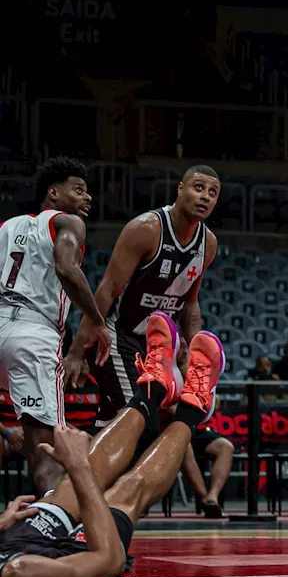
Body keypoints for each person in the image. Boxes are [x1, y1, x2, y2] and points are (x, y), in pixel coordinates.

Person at [0, 311, 224, 577]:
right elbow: (110, 560)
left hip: (12, 546)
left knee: (67, 490)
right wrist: (77, 465)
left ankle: (155, 389)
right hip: (46, 571)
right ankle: (194, 408)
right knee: (127, 491)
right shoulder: (17, 573)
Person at [76, 165, 220, 431]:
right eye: (198, 188)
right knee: (142, 426)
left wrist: (192, 357)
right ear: (180, 189)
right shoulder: (146, 228)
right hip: (117, 336)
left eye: (213, 192)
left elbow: (190, 303)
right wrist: (77, 350)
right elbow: (106, 290)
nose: (205, 197)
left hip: (156, 347)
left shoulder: (207, 243)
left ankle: (79, 467)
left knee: (113, 427)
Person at [0, 157, 110, 495]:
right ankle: (53, 528)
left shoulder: (7, 226)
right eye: (78, 190)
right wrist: (97, 320)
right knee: (48, 450)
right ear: (53, 193)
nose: (86, 198)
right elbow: (66, 269)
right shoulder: (69, 222)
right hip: (34, 335)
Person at [179, 394, 235, 519]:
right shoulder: (173, 378)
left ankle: (212, 496)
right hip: (177, 427)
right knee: (184, 446)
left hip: (201, 430)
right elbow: (174, 409)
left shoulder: (201, 379)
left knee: (226, 447)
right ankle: (206, 500)